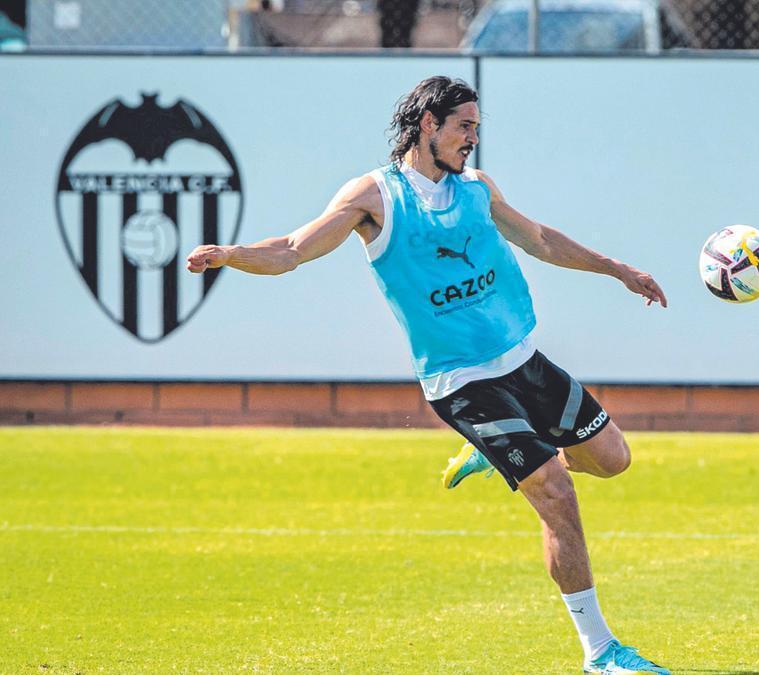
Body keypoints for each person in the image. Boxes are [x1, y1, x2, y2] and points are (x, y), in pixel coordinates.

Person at [185, 76, 670, 674]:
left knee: (612, 459)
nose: (473, 139)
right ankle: (600, 652)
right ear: (427, 126)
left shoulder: (476, 189)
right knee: (555, 490)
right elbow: (291, 248)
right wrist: (231, 255)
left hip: (523, 362)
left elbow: (540, 239)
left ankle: (497, 459)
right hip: (462, 383)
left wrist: (617, 269)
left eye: (476, 127)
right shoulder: (375, 197)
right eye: (464, 126)